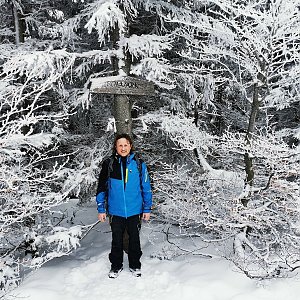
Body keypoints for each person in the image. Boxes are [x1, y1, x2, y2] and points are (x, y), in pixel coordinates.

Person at [96, 133, 152, 278]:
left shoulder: (139, 164)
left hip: (135, 210)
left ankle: (135, 265)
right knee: (117, 240)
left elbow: (146, 187)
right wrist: (101, 208)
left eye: (125, 145)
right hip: (116, 211)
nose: (123, 148)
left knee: (134, 239)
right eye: (120, 145)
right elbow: (101, 187)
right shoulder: (109, 164)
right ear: (115, 147)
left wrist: (147, 208)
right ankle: (116, 266)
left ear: (130, 146)